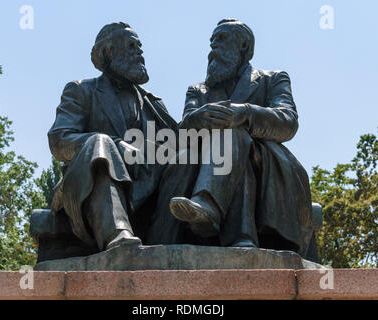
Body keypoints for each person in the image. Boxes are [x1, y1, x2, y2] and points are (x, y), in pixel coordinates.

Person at [147, 18, 314, 259]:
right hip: (202, 161)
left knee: (234, 134)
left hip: (263, 163)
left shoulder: (273, 79)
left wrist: (245, 113)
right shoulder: (198, 90)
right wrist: (199, 119)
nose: (213, 48)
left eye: (221, 40)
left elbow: (287, 121)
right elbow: (182, 131)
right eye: (211, 42)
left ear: (244, 46)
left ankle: (208, 206)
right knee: (195, 152)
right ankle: (236, 235)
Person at [48, 22, 177, 252]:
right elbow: (59, 140)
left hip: (145, 194)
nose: (139, 51)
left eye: (140, 46)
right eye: (130, 45)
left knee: (187, 157)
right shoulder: (81, 91)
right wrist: (116, 145)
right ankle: (116, 235)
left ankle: (168, 243)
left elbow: (175, 146)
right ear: (107, 52)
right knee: (100, 142)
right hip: (88, 188)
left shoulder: (153, 103)